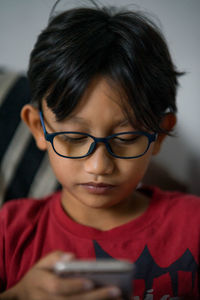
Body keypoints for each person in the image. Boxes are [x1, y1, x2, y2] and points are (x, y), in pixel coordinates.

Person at [0, 2, 199, 300]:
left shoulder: (193, 225)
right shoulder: (9, 232)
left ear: (158, 134)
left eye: (127, 137)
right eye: (73, 136)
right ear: (39, 128)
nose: (98, 166)